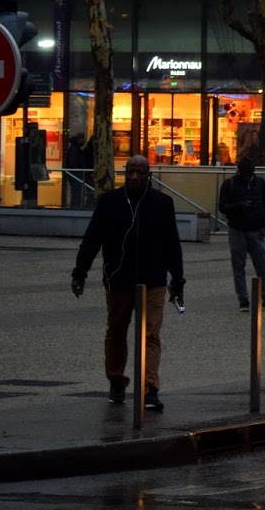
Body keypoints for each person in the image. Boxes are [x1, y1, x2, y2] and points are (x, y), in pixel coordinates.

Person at [70, 155, 185, 412]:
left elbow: (172, 244)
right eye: (130, 172)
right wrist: (80, 273)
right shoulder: (109, 202)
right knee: (116, 332)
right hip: (119, 280)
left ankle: (149, 388)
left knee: (151, 335)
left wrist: (178, 281)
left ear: (148, 175)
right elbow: (92, 240)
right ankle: (116, 380)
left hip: (154, 280)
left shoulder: (162, 203)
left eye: (140, 173)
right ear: (124, 173)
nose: (134, 177)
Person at [216, 157, 265, 312]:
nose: (247, 175)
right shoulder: (230, 184)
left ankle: (263, 298)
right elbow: (223, 207)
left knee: (261, 266)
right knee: (243, 266)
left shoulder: (259, 183)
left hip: (254, 229)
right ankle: (246, 299)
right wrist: (241, 206)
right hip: (239, 229)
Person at [63, 133, 91, 209]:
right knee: (77, 192)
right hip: (75, 174)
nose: (84, 141)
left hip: (75, 174)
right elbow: (73, 163)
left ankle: (75, 206)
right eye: (83, 139)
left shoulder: (75, 148)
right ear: (79, 139)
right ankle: (75, 207)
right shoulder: (75, 149)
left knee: (76, 191)